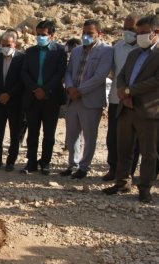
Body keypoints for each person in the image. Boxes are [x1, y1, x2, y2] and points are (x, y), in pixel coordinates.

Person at [103, 15, 159, 203]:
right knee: (124, 148)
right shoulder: (134, 54)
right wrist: (122, 92)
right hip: (126, 108)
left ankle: (145, 188)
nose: (139, 36)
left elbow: (156, 81)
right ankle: (122, 182)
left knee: (148, 152)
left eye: (143, 33)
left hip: (148, 111)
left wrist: (129, 91)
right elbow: (121, 75)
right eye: (138, 32)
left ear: (156, 32)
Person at [61, 19, 114, 179]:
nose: (85, 36)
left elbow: (100, 76)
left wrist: (80, 90)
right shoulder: (76, 51)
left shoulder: (106, 51)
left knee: (89, 136)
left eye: (90, 33)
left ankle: (84, 167)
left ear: (99, 33)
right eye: (84, 32)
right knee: (72, 135)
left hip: (90, 100)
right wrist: (70, 88)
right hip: (73, 98)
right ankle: (73, 163)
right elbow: (68, 71)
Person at [20, 20, 67, 175]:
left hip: (50, 99)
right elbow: (24, 73)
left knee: (49, 134)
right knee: (32, 133)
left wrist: (45, 90)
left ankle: (45, 162)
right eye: (38, 34)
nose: (40, 37)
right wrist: (35, 89)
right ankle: (31, 162)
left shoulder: (60, 51)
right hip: (33, 98)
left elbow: (59, 73)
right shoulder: (30, 51)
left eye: (43, 35)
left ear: (52, 35)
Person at [103, 14, 140, 181]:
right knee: (113, 137)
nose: (127, 32)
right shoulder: (117, 47)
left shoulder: (147, 50)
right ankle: (113, 167)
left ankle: (128, 173)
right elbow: (114, 73)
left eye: (131, 29)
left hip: (136, 101)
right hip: (116, 99)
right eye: (125, 29)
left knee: (133, 140)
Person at [0, 30, 25, 171]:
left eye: (8, 45)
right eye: (3, 44)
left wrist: (9, 94)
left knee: (15, 133)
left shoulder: (21, 58)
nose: (5, 47)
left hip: (15, 102)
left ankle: (11, 161)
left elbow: (22, 80)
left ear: (14, 44)